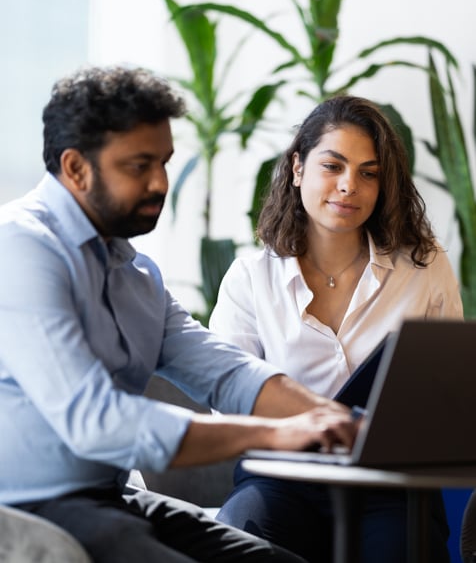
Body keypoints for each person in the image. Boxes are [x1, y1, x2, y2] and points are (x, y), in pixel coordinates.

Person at [0, 66, 359, 563]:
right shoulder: (21, 248)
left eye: (165, 163)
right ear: (76, 168)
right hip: (26, 508)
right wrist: (277, 433)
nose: (160, 183)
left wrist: (336, 420)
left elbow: (227, 372)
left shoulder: (135, 272)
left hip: (110, 498)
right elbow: (96, 421)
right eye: (139, 166)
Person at [209, 95, 464, 563]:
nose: (349, 186)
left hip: (390, 486)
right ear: (297, 168)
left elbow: (450, 396)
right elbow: (226, 404)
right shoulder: (250, 278)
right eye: (333, 166)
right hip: (280, 477)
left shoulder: (424, 268)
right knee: (237, 547)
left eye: (369, 173)